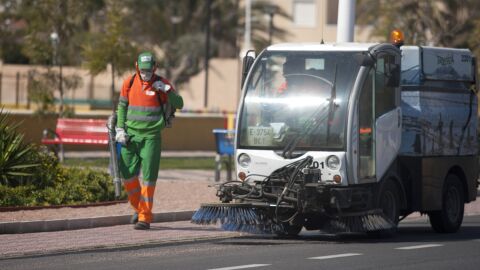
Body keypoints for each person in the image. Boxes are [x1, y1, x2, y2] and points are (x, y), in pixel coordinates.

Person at [115, 51, 184, 230]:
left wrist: (167, 91)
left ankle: (144, 217)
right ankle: (139, 209)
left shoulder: (162, 84)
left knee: (148, 178)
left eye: (149, 70)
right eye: (143, 70)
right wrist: (120, 128)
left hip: (152, 137)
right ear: (137, 67)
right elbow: (122, 107)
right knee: (127, 174)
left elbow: (179, 104)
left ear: (155, 68)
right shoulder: (128, 83)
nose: (146, 74)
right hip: (130, 136)